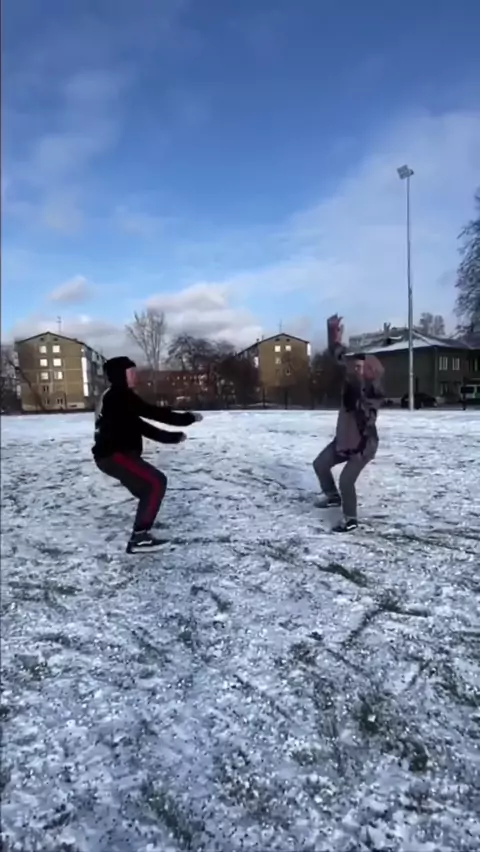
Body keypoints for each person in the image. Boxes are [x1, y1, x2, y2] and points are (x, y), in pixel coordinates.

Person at [92, 356, 202, 553]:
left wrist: (172, 437)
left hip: (116, 456)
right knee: (156, 483)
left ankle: (144, 523)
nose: (135, 376)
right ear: (120, 375)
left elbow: (140, 426)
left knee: (148, 489)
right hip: (115, 455)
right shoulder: (119, 396)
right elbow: (155, 413)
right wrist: (188, 418)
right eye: (131, 373)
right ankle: (140, 538)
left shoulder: (117, 397)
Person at [313, 315, 384, 532]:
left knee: (346, 481)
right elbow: (337, 352)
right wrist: (332, 332)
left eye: (360, 368)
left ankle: (350, 519)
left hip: (362, 446)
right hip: (343, 440)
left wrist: (358, 403)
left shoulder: (372, 392)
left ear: (369, 372)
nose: (355, 370)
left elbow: (368, 418)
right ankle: (332, 496)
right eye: (355, 366)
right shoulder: (352, 374)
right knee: (320, 464)